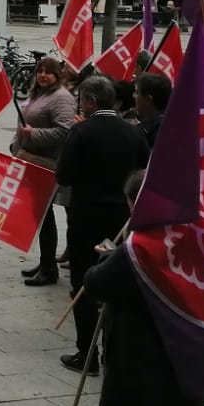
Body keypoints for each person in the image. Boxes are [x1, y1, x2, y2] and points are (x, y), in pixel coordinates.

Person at [82, 168, 204, 406]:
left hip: (146, 368)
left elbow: (97, 282)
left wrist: (108, 254)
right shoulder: (194, 237)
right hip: (188, 364)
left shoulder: (142, 247)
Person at [54, 74, 150, 374]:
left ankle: (87, 353)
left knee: (84, 282)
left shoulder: (81, 132)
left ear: (91, 101)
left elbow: (64, 176)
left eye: (82, 98)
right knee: (115, 279)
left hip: (86, 218)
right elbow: (146, 174)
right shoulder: (134, 133)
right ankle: (112, 351)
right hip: (121, 219)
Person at [15, 57, 78, 286]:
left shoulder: (61, 98)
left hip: (48, 164)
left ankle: (50, 269)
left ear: (57, 75)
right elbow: (23, 123)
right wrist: (17, 144)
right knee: (40, 216)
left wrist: (32, 135)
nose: (42, 75)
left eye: (48, 72)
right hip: (31, 160)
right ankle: (46, 261)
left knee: (45, 217)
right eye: (39, 71)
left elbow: (65, 131)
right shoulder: (38, 94)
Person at [131, 71, 171, 150]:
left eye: (137, 92)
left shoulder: (147, 134)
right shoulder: (172, 127)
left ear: (148, 99)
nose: (133, 96)